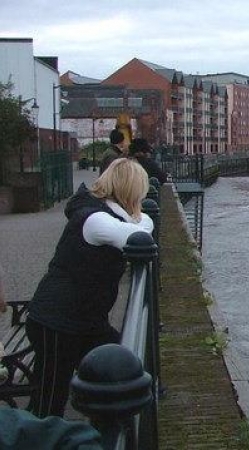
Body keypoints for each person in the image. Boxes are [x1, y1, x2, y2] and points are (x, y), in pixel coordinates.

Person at [25, 158, 154, 418]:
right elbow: (140, 235)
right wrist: (138, 218)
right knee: (49, 402)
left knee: (127, 363)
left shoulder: (99, 212)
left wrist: (137, 218)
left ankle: (118, 429)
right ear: (130, 191)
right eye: (139, 194)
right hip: (57, 322)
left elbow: (144, 223)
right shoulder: (95, 220)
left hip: (84, 321)